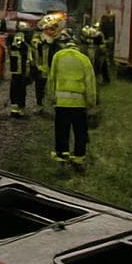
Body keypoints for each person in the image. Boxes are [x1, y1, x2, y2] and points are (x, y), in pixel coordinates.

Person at [45, 32, 98, 170]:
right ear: (77, 46)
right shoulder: (84, 59)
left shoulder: (58, 57)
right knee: (80, 132)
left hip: (61, 104)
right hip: (79, 105)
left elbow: (52, 79)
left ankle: (62, 156)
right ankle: (79, 159)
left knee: (62, 131)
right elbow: (90, 83)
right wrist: (91, 103)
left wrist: (51, 98)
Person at [31, 12, 71, 111]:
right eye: (50, 29)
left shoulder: (61, 39)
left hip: (56, 71)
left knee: (56, 88)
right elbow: (34, 55)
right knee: (40, 88)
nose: (52, 31)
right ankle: (40, 105)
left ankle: (56, 104)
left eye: (54, 28)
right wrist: (36, 68)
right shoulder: (38, 40)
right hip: (42, 69)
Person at [6, 21, 33, 118]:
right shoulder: (24, 39)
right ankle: (20, 110)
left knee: (14, 90)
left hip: (15, 69)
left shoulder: (12, 38)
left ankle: (14, 109)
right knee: (21, 90)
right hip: (22, 69)